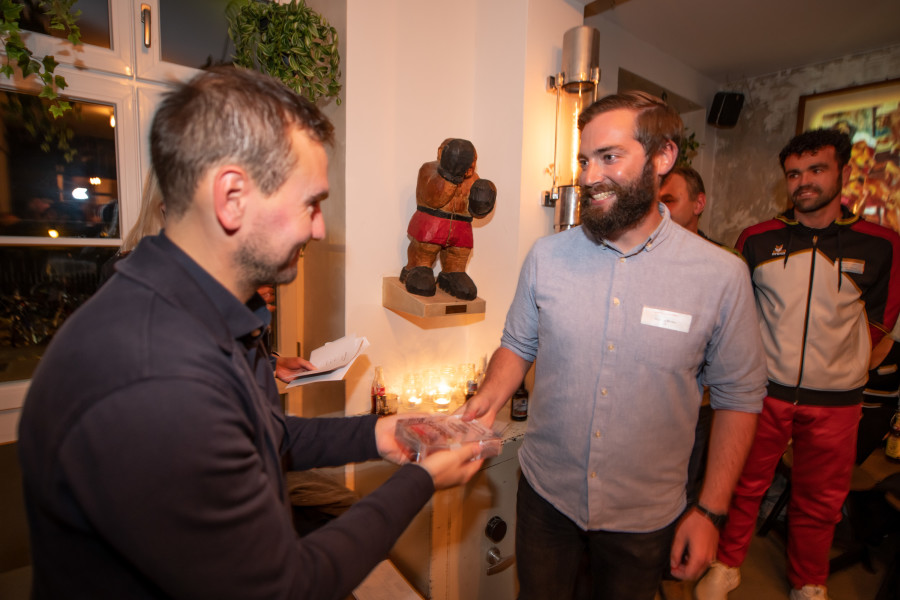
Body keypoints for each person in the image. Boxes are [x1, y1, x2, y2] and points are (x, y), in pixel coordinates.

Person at [17, 66, 485, 599]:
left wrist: (378, 433)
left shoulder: (201, 312)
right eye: (310, 203)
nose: (319, 228)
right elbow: (284, 588)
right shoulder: (153, 380)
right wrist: (420, 481)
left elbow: (264, 434)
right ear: (232, 196)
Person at [463, 91, 768, 599]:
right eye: (584, 160)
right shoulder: (546, 257)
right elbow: (517, 346)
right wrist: (482, 405)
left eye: (609, 157)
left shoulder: (721, 276)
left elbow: (739, 398)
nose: (588, 176)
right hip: (546, 500)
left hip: (644, 520)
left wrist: (711, 511)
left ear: (662, 157)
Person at [695, 129, 900, 600]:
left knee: (820, 501)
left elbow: (881, 324)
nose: (803, 181)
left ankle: (809, 581)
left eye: (816, 169)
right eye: (793, 174)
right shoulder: (757, 239)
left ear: (842, 172)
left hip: (837, 402)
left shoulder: (882, 245)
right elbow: (738, 315)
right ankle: (727, 564)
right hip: (764, 392)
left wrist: (843, 370)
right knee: (744, 485)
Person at [657, 165, 724, 506]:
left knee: (686, 490)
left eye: (669, 200)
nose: (661, 209)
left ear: (699, 204)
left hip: (696, 403)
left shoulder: (723, 266)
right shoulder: (640, 258)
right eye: (656, 201)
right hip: (648, 401)